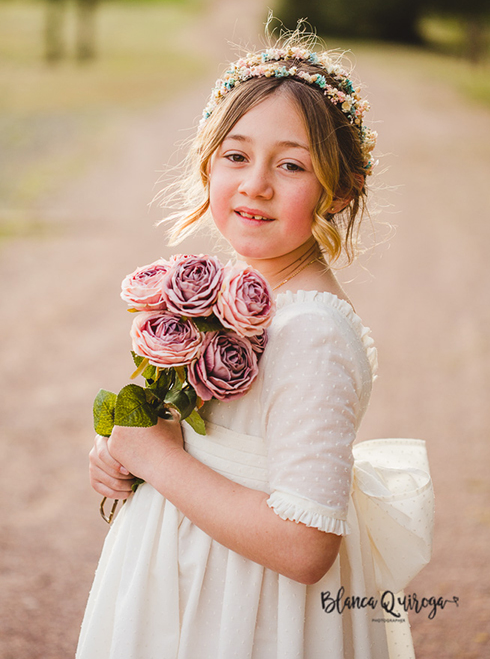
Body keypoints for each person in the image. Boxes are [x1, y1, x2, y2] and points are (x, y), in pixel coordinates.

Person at [79, 39, 433, 659]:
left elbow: (305, 546)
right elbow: (191, 441)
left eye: (291, 166)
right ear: (207, 164)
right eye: (236, 156)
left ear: (341, 190)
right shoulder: (233, 300)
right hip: (187, 584)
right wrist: (125, 450)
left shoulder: (311, 333)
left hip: (246, 612)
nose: (256, 185)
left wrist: (159, 461)